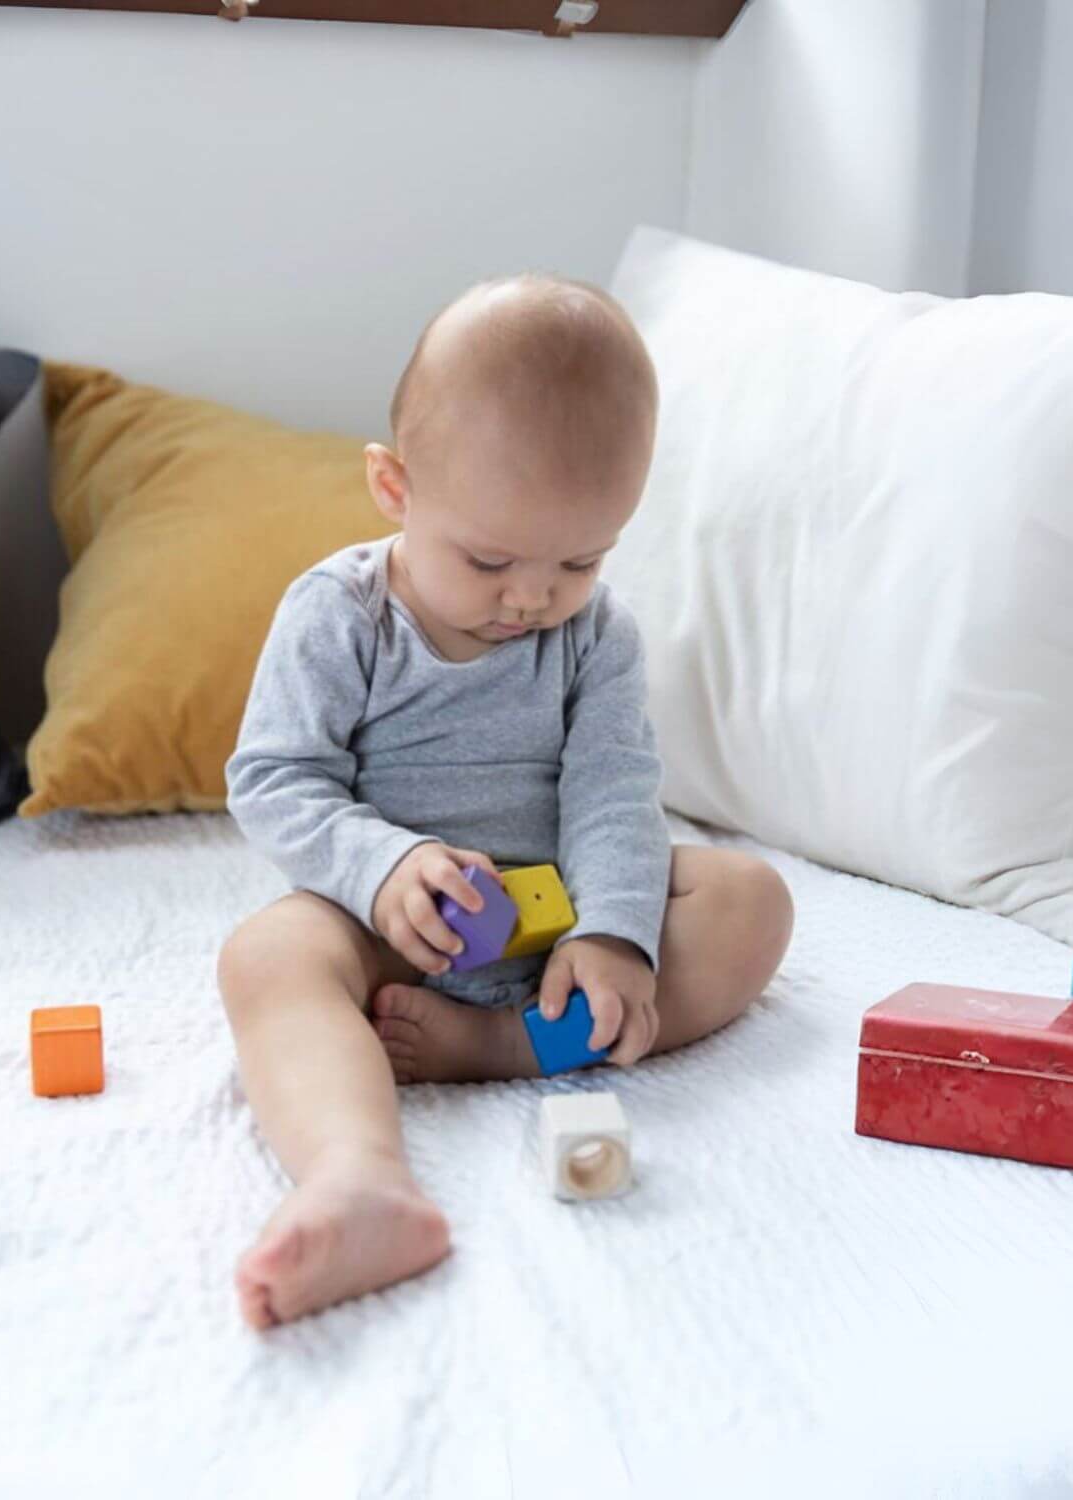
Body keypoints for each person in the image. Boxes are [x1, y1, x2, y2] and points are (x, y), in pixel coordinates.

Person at [219, 274, 794, 1330]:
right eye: (488, 559)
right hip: (395, 933)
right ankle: (357, 1175)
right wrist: (385, 868)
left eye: (581, 558)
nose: (532, 597)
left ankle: (512, 1047)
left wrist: (614, 932)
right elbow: (273, 779)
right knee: (268, 956)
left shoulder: (596, 637)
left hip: (562, 923)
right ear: (395, 487)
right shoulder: (340, 616)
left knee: (751, 899)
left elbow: (614, 788)